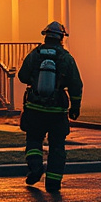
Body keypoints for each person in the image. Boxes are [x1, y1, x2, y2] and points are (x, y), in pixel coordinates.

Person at [17, 21, 83, 192]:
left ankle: (35, 168)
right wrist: (75, 106)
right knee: (57, 146)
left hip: (35, 108)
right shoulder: (66, 58)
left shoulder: (35, 54)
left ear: (45, 35)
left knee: (33, 140)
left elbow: (22, 76)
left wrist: (35, 79)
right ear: (61, 37)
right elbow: (76, 84)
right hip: (57, 111)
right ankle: (53, 182)